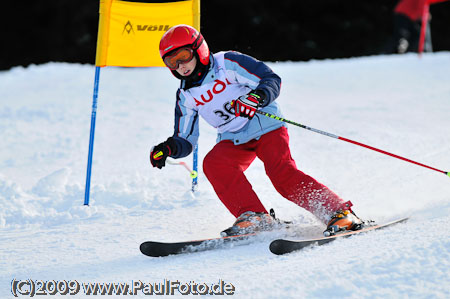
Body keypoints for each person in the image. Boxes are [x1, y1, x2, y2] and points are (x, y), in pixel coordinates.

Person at [150, 24, 362, 237]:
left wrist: (256, 97)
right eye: (172, 61)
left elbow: (270, 79)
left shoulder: (228, 63)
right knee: (214, 164)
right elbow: (185, 139)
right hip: (233, 138)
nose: (180, 65)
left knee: (281, 175)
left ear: (200, 49)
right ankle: (254, 216)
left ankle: (338, 212)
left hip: (265, 126)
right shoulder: (186, 95)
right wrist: (168, 148)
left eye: (184, 55)